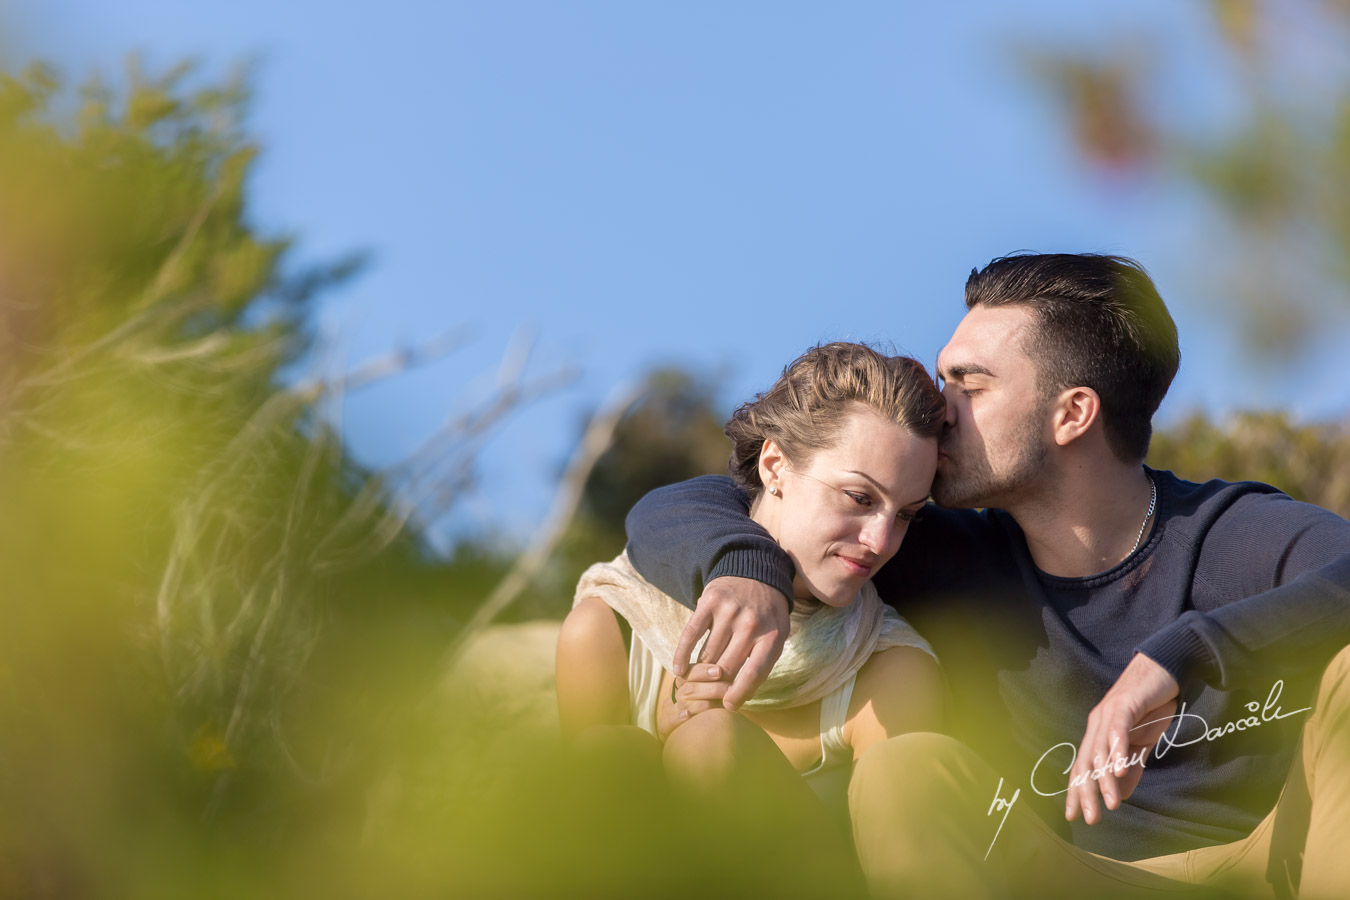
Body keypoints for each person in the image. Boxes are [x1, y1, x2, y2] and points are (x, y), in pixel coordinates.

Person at [623, 254, 1350, 898]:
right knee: (907, 768)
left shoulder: (1226, 534)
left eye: (968, 385)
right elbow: (707, 500)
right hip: (1052, 874)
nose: (940, 410)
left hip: (1265, 865)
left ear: (1072, 414)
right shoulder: (928, 546)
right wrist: (749, 568)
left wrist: (1176, 656)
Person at [555, 342, 946, 827]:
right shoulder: (613, 629)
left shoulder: (889, 667)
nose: (881, 541)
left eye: (906, 514)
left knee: (710, 739)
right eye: (859, 497)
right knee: (609, 751)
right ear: (774, 466)